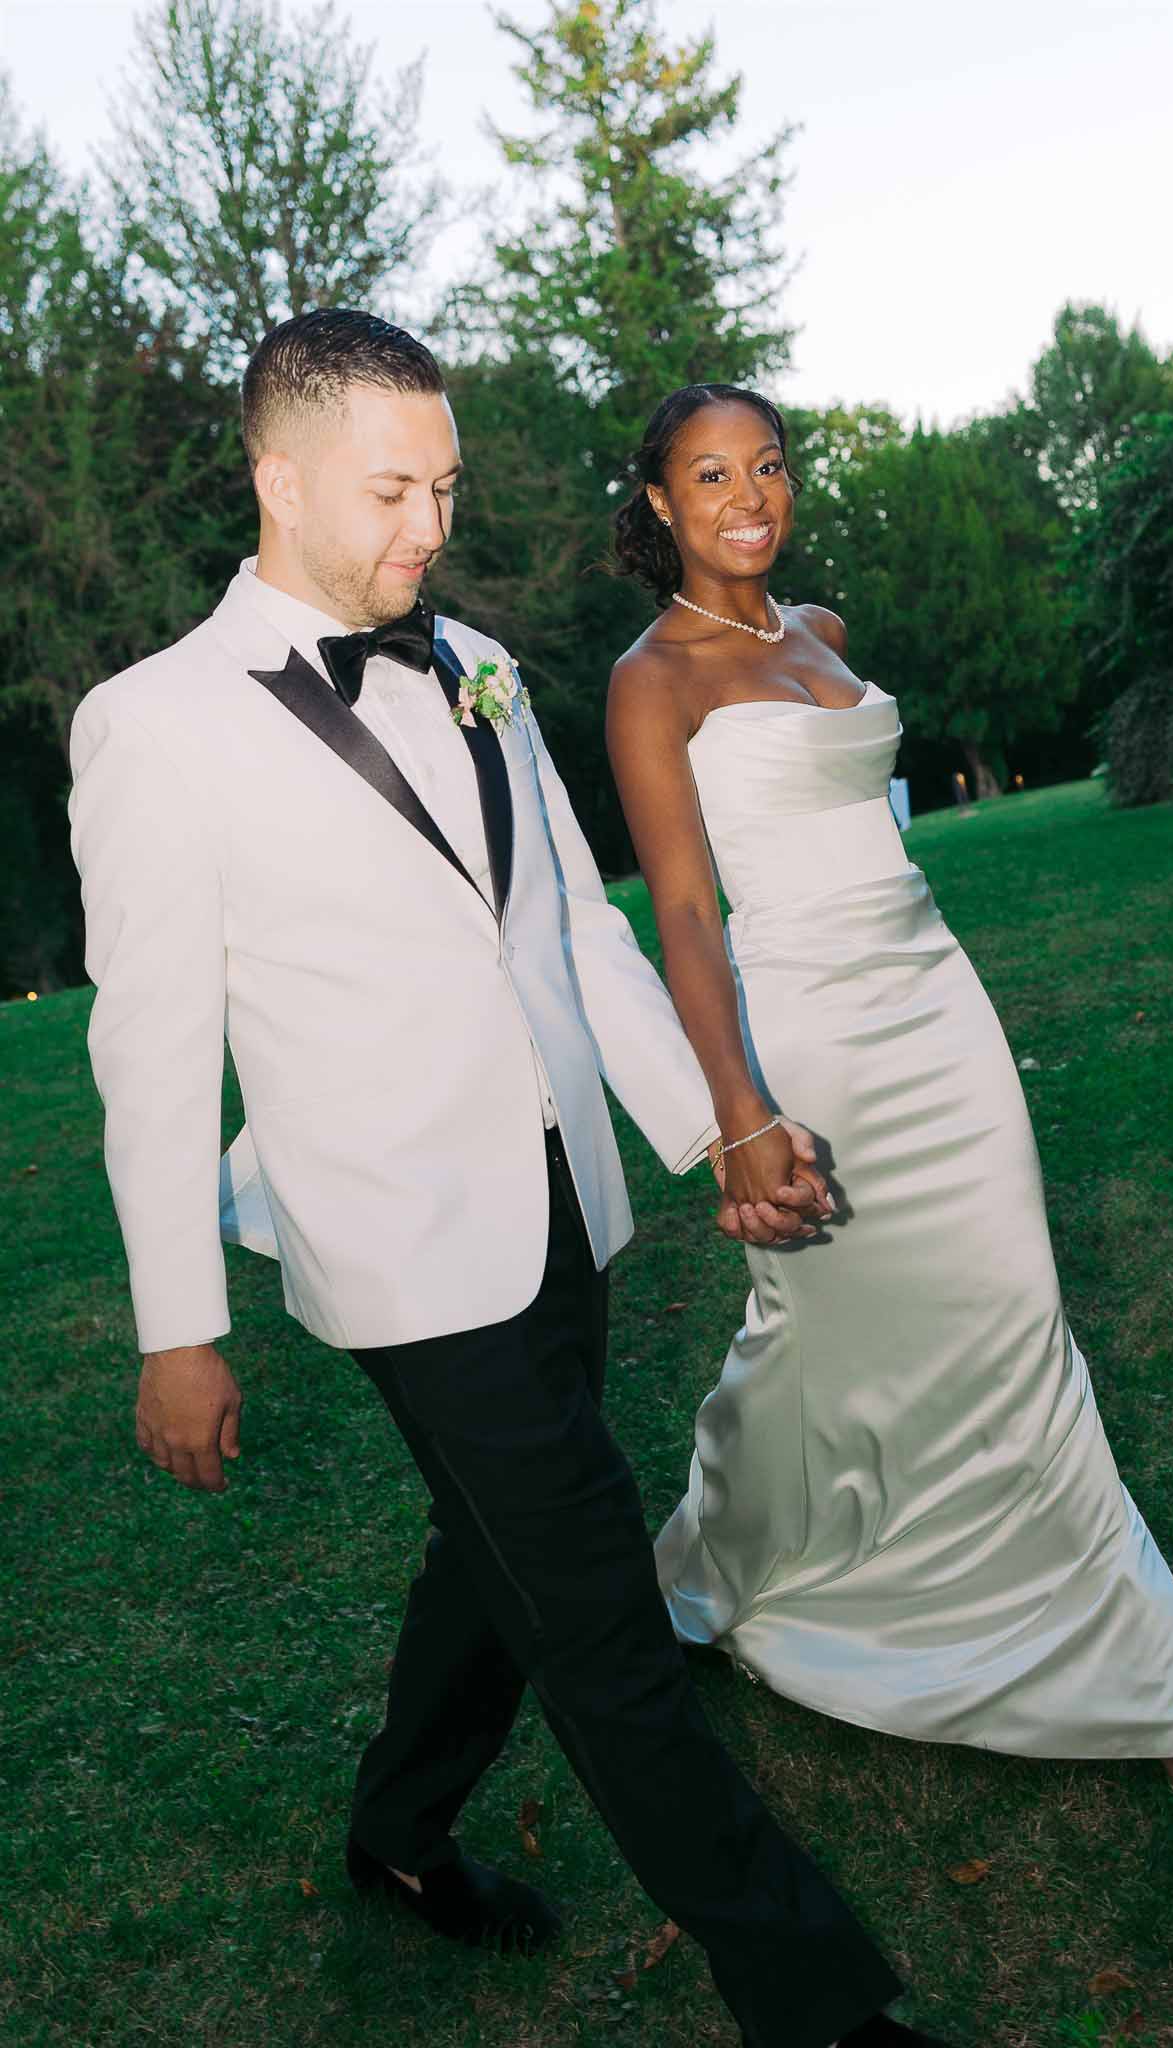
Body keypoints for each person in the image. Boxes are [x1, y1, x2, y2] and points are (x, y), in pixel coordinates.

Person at [68, 313, 955, 2048]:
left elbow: (564, 923)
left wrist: (715, 1123)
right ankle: (820, 2005)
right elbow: (153, 1052)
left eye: (446, 485)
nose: (428, 526)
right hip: (398, 1241)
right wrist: (178, 1326)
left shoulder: (474, 655)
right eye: (391, 490)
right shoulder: (152, 724)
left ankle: (398, 1834)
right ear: (279, 478)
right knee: (602, 1622)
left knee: (493, 1564)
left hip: (561, 1204)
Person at [605, 381, 1173, 1826]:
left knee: (1013, 1315)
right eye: (711, 475)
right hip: (809, 1041)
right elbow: (680, 912)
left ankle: (1151, 1698)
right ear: (660, 506)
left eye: (768, 467)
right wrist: (739, 1110)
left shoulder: (821, 636)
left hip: (938, 1008)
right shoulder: (650, 680)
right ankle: (715, 1571)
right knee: (814, 1334)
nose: (748, 496)